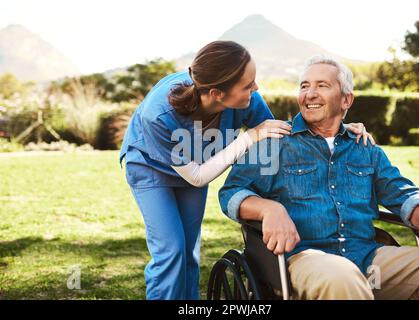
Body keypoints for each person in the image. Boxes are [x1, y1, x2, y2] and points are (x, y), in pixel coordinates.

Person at [120, 41, 372, 300]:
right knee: (171, 251)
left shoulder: (249, 100)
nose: (256, 88)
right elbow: (196, 177)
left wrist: (339, 127)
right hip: (151, 168)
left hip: (197, 163)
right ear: (218, 93)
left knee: (188, 252)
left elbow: (282, 138)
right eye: (248, 85)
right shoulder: (160, 115)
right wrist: (249, 137)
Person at [219, 55, 419, 300]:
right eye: (304, 86)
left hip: (368, 260)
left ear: (346, 100)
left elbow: (405, 194)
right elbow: (231, 192)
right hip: (305, 260)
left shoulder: (365, 148)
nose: (310, 94)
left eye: (322, 85)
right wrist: (269, 208)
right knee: (343, 277)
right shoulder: (274, 143)